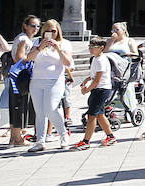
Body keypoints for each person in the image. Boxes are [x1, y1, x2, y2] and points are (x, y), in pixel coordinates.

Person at [26, 19, 73, 153]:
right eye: (49, 30)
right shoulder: (37, 42)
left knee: (51, 109)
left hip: (54, 80)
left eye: (54, 30)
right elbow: (29, 58)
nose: (51, 33)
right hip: (36, 80)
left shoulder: (65, 44)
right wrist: (40, 47)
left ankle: (63, 134)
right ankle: (40, 141)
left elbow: (68, 62)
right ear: (43, 31)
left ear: (58, 31)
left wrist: (58, 48)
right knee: (39, 112)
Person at [74, 37, 118, 149]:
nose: (90, 49)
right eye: (89, 46)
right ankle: (110, 136)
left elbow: (97, 80)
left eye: (93, 47)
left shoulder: (100, 60)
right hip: (100, 89)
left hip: (101, 89)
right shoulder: (96, 58)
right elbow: (95, 76)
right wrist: (87, 79)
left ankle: (86, 141)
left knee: (91, 115)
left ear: (101, 48)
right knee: (99, 114)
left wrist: (86, 90)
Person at [7, 16, 39, 146]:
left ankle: (14, 137)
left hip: (20, 77)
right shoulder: (23, 39)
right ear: (25, 25)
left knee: (19, 106)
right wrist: (32, 56)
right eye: (33, 25)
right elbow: (19, 59)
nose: (35, 28)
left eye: (38, 26)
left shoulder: (25, 38)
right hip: (19, 77)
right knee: (19, 106)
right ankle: (17, 138)